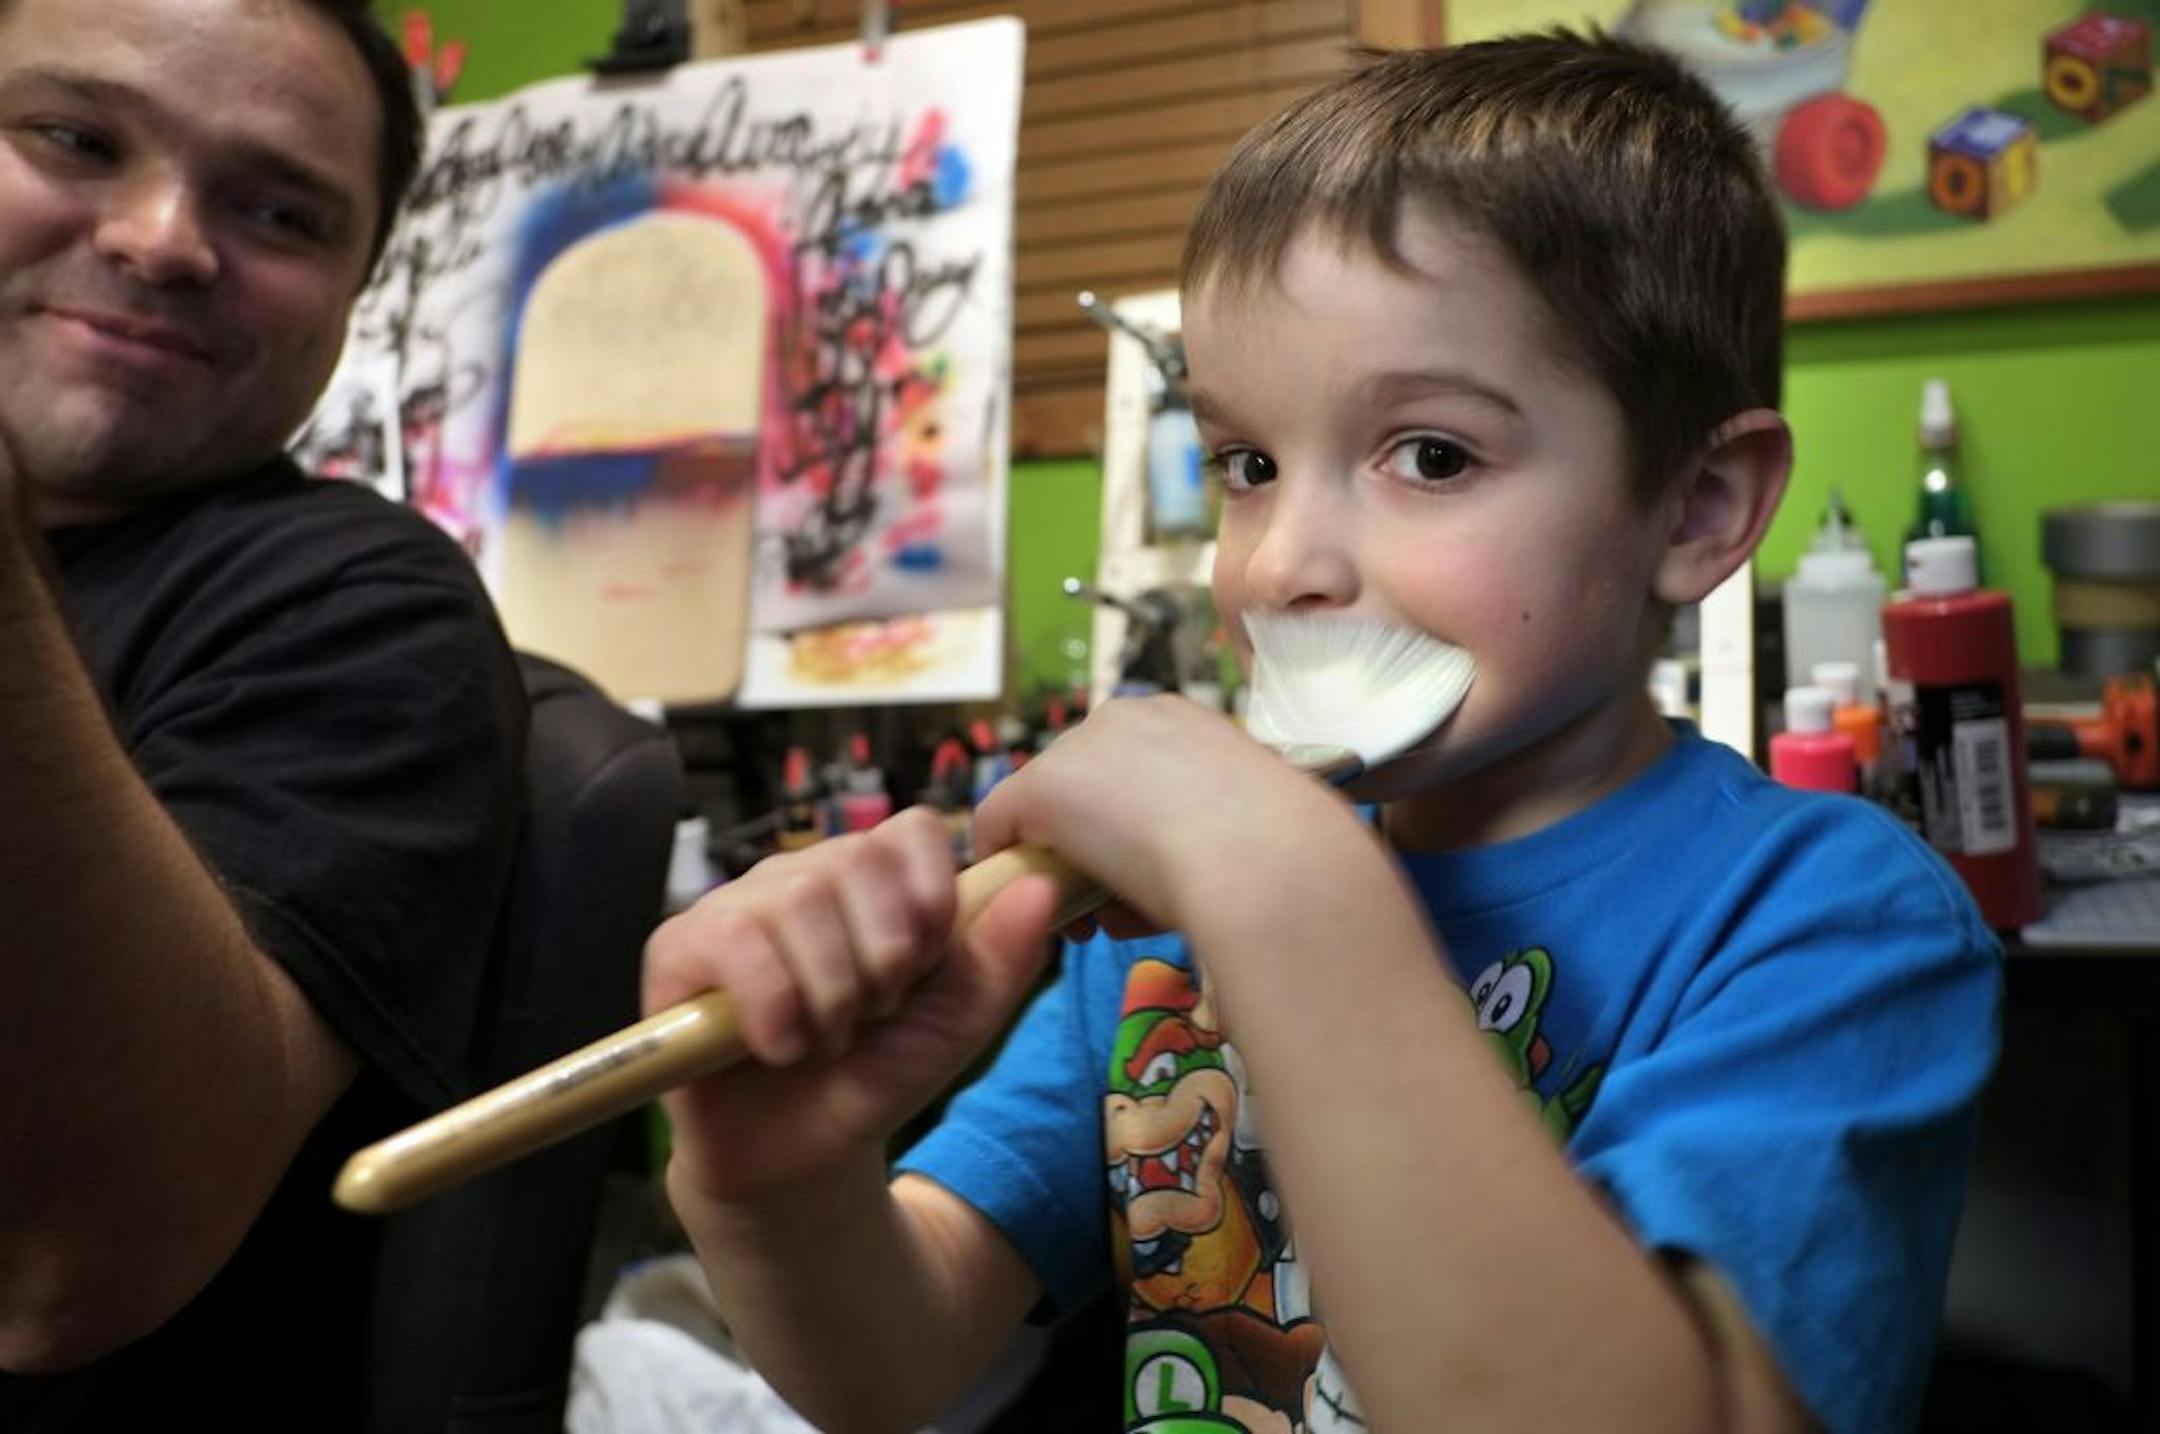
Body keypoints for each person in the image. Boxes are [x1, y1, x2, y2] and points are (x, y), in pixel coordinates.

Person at [645, 33, 2001, 1434]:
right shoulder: (1164, 937)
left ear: (1698, 506)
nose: (1279, 561)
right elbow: (894, 1361)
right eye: (1245, 463)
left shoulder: (1824, 921)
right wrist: (780, 1181)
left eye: (1431, 455)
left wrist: (1286, 893)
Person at [0, 0, 525, 1425]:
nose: (163, 237)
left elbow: (66, 1263)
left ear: (357, 290)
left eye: (282, 212)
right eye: (72, 138)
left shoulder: (360, 612)